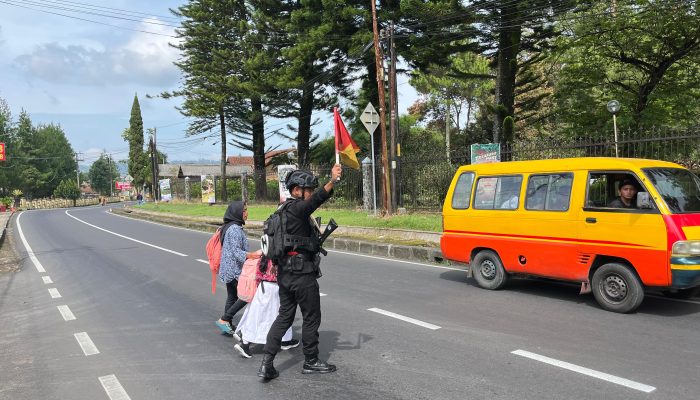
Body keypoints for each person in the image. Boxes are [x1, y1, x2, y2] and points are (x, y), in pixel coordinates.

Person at [258, 164, 342, 380]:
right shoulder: (297, 208)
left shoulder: (281, 210)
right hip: (302, 274)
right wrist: (332, 180)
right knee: (311, 317)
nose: (311, 193)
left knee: (284, 317)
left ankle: (267, 363)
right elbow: (317, 200)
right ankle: (311, 361)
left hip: (285, 274)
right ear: (297, 190)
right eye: (308, 189)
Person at [233, 255, 300, 358]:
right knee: (283, 314)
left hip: (263, 287)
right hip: (276, 288)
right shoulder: (280, 256)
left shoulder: (264, 257)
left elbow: (258, 274)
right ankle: (284, 340)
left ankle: (246, 342)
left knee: (258, 317)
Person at [215, 201, 261, 335]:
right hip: (234, 270)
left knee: (232, 296)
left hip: (228, 269)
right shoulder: (234, 229)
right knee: (247, 296)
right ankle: (225, 319)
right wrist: (253, 255)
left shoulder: (229, 226)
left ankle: (226, 324)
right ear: (237, 212)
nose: (247, 213)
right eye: (244, 210)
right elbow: (236, 251)